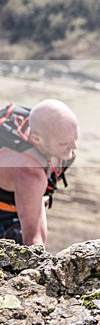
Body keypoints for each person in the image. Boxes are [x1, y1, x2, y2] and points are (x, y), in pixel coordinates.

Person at [0, 99, 79, 247]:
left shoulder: (42, 125)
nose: (74, 148)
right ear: (36, 139)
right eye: (64, 144)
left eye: (75, 138)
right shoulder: (29, 172)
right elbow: (34, 242)